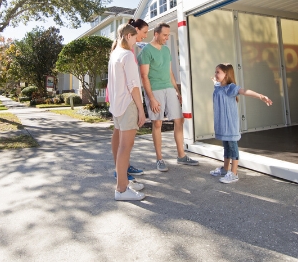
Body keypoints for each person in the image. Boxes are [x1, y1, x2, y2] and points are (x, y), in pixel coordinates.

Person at [139, 22, 198, 171]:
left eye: (168, 35)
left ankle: (181, 155)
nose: (166, 38)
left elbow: (170, 72)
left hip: (169, 89)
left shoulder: (166, 50)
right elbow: (144, 77)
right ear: (156, 34)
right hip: (155, 90)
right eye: (164, 35)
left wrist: (177, 91)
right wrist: (151, 98)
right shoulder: (146, 51)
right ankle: (159, 159)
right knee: (157, 123)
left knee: (179, 120)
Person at [211, 63, 273, 183]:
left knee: (233, 147)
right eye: (215, 72)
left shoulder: (231, 88)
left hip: (230, 124)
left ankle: (234, 173)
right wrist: (215, 80)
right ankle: (225, 169)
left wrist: (260, 96)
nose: (215, 74)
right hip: (222, 124)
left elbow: (245, 91)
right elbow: (217, 84)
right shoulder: (219, 87)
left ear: (226, 74)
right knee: (226, 146)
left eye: (218, 72)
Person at [109, 23, 147, 201]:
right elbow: (134, 86)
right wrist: (141, 109)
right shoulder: (127, 56)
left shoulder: (114, 55)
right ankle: (122, 189)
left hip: (117, 106)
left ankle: (123, 181)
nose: (136, 41)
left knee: (120, 145)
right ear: (127, 36)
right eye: (134, 37)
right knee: (126, 147)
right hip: (128, 105)